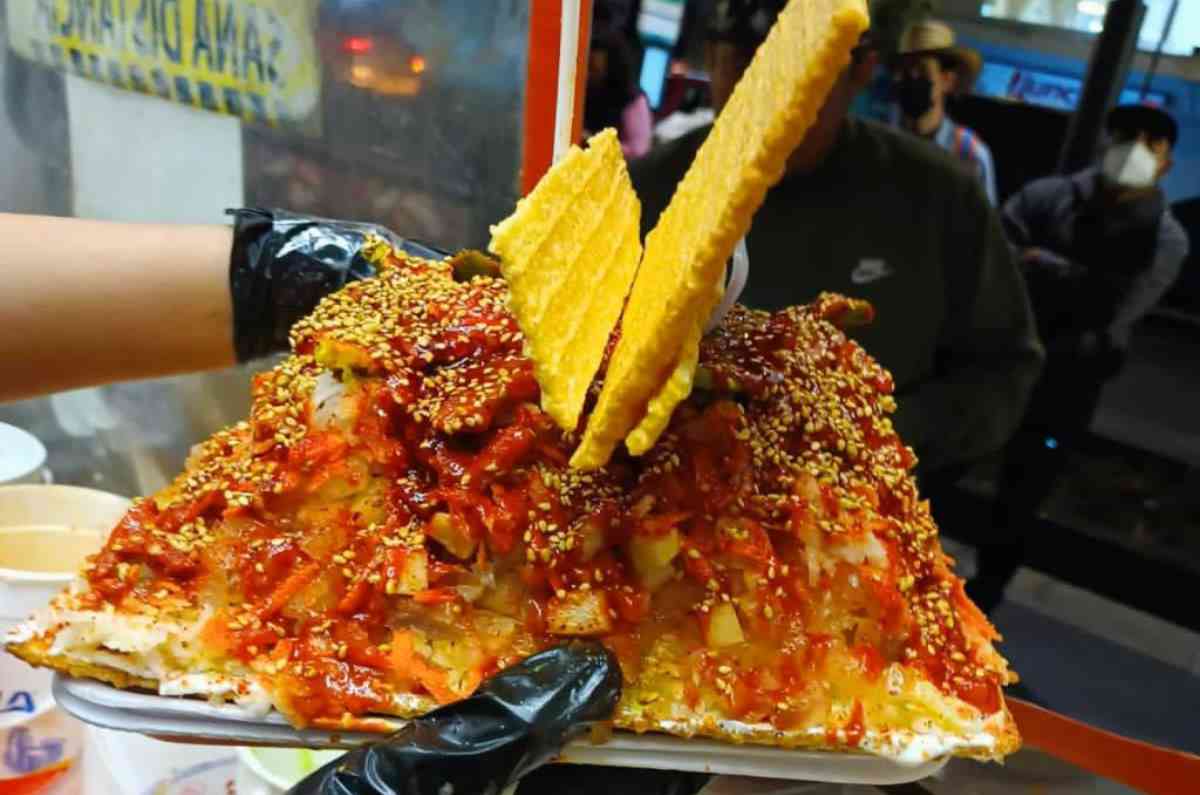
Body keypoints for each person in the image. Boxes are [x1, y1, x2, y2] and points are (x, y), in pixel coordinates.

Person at [630, 0, 1043, 480]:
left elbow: (1004, 368)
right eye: (745, 65)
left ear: (861, 68)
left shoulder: (939, 198)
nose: (769, 97)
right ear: (711, 58)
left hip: (864, 514)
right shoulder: (649, 192)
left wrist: (874, 435)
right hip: (662, 505)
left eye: (802, 68)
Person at [968, 104, 1190, 613]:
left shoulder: (1165, 237)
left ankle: (985, 595)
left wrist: (1043, 265)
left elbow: (1112, 308)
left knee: (1024, 491)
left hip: (1069, 380)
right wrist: (1078, 280)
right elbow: (998, 260)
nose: (1135, 148)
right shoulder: (1051, 197)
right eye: (1127, 134)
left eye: (1152, 142)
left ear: (1167, 160)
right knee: (950, 455)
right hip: (999, 360)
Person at [890, 19, 998, 205]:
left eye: (921, 69)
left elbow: (983, 228)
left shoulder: (970, 154)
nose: (911, 77)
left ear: (946, 80)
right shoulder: (883, 145)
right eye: (905, 68)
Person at [583, 29, 654, 159]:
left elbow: (638, 151)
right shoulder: (589, 92)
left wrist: (596, 144)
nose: (588, 75)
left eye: (594, 69)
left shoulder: (633, 100)